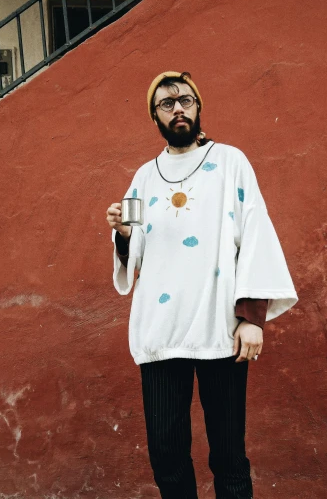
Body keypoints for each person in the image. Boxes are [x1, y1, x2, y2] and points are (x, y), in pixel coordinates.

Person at [105, 71, 298, 498]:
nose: (178, 108)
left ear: (198, 107)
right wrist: (121, 234)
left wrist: (252, 318)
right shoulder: (144, 177)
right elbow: (133, 255)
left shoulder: (231, 162)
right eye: (166, 103)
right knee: (167, 454)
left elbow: (256, 234)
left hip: (220, 331)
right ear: (154, 116)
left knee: (229, 455)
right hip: (161, 331)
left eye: (186, 100)